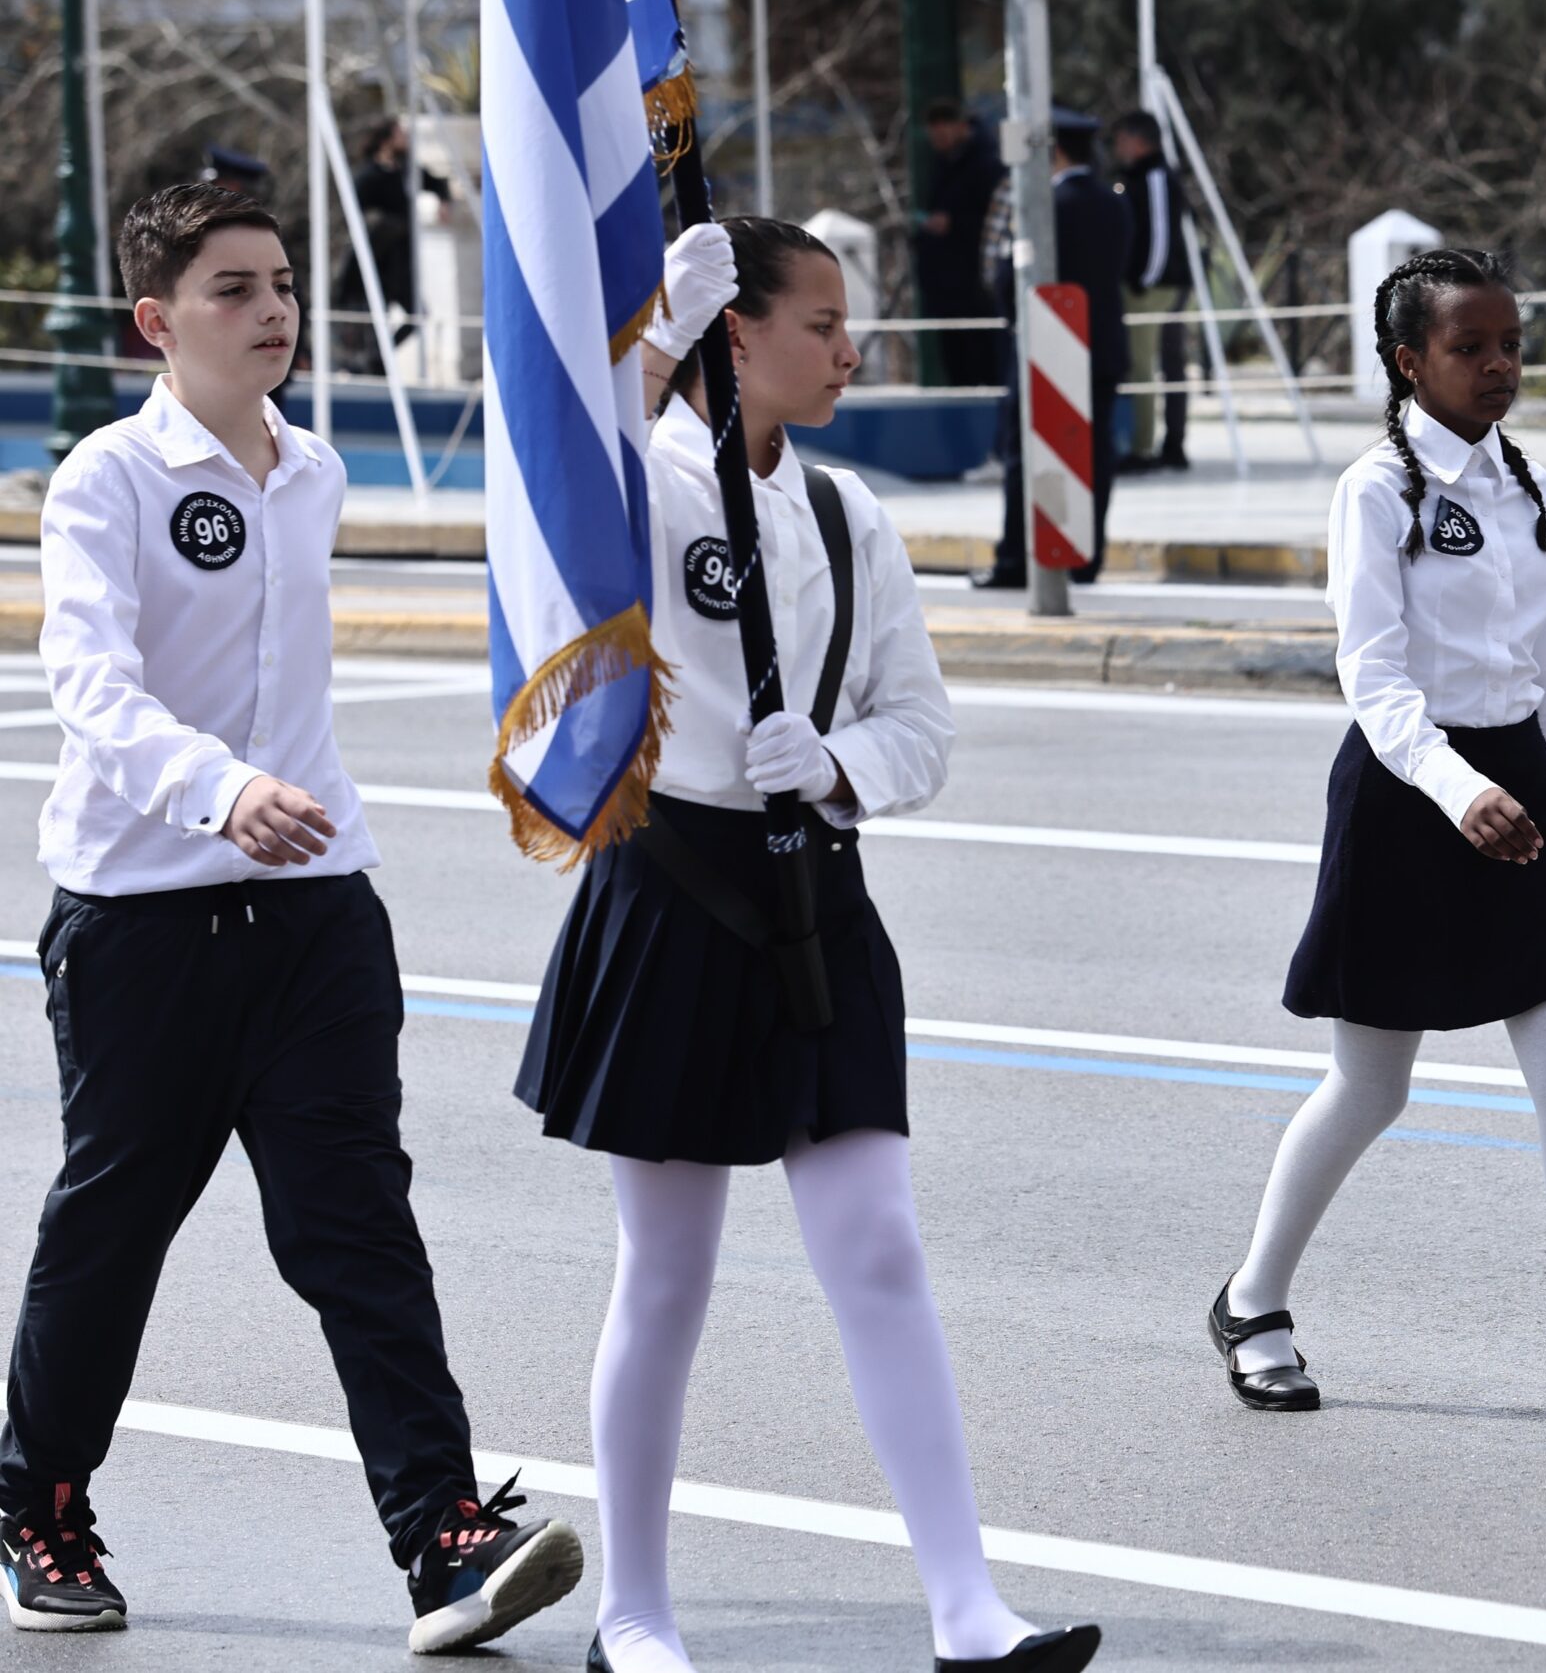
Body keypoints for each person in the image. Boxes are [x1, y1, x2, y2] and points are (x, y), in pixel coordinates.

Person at [3, 182, 584, 1648]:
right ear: (158, 319)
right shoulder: (107, 480)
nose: (273, 311)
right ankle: (38, 1501)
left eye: (281, 283)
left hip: (318, 915)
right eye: (235, 290)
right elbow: (90, 687)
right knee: (114, 1227)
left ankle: (444, 1536)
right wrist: (222, 789)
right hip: (143, 922)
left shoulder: (310, 467)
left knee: (358, 1227)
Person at [518, 218, 1102, 1673]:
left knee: (880, 1247)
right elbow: (562, 493)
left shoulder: (847, 512)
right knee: (668, 1270)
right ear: (740, 331)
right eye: (821, 323)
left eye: (851, 324)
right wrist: (658, 338)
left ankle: (966, 1606)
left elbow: (921, 725)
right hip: (674, 889)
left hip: (813, 895)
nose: (851, 350)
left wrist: (836, 762)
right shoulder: (654, 481)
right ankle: (634, 1612)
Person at [1210, 248, 1546, 1438]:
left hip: (1514, 788)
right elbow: (1370, 673)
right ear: (1409, 361)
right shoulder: (1376, 490)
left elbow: (1537, 653)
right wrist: (1456, 786)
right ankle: (1251, 1301)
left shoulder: (1526, 482)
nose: (1499, 366)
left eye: (1510, 345)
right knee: (1371, 1083)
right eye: (1469, 347)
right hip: (1408, 791)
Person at [972, 107, 1130, 589]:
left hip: (1046, 348)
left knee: (1026, 452)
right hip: (1103, 346)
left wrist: (1012, 319)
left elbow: (1009, 278)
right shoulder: (1115, 203)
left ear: (1054, 151)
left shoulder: (1042, 208)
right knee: (1096, 455)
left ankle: (1016, 559)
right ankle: (1085, 558)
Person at [336, 116, 452, 371]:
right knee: (375, 318)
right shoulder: (368, 175)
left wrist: (443, 202)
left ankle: (379, 359)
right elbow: (353, 214)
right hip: (377, 261)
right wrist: (382, 225)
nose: (406, 138)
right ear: (386, 140)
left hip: (401, 260)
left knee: (417, 315)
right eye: (401, 134)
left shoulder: (406, 170)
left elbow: (437, 182)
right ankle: (372, 365)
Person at [1110, 110, 1190, 473]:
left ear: (1138, 140)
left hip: (1156, 287)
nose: (1117, 147)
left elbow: (1160, 233)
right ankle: (1165, 444)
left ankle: (1145, 448)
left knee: (1144, 366)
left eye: (1122, 139)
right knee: (1162, 364)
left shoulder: (1155, 176)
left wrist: (1144, 279)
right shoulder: (1136, 176)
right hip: (1154, 283)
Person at [914, 100, 1006, 390]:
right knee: (956, 362)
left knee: (982, 357)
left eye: (943, 132)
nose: (937, 140)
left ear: (961, 127)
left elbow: (996, 220)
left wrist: (954, 224)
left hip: (975, 283)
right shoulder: (944, 163)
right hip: (947, 284)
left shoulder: (986, 163)